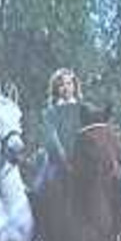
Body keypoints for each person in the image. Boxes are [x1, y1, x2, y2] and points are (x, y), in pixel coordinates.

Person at [35, 67, 85, 196]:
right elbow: (51, 136)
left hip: (81, 158)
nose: (66, 88)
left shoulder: (83, 109)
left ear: (74, 86)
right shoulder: (50, 112)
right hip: (58, 160)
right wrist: (63, 156)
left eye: (69, 84)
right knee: (41, 185)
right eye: (61, 85)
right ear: (56, 89)